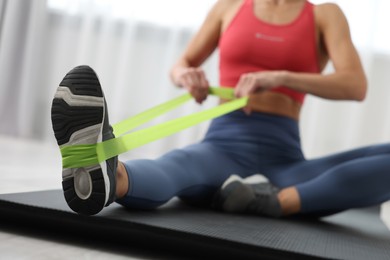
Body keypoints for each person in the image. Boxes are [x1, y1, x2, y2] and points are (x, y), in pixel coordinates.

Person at [51, 0, 390, 217]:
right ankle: (110, 177)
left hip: (284, 162)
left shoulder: (324, 14)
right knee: (179, 165)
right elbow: (181, 64)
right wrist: (188, 76)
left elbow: (355, 85)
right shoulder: (230, 6)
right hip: (223, 146)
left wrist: (282, 77)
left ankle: (274, 201)